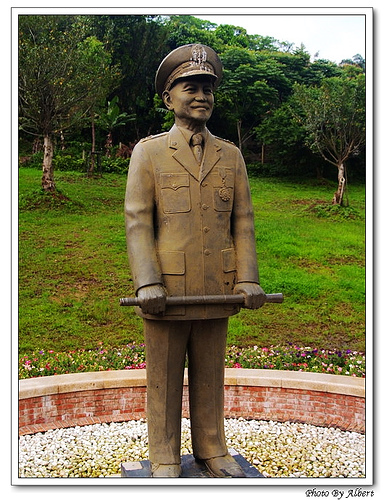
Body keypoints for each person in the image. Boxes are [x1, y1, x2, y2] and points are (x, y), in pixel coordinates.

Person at [124, 44, 266, 478]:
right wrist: (146, 281)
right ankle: (164, 456)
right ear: (169, 98)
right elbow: (137, 221)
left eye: (208, 87)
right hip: (166, 289)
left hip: (216, 287)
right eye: (191, 87)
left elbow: (242, 220)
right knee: (164, 378)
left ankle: (211, 448)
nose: (202, 95)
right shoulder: (148, 153)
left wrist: (247, 278)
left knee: (210, 374)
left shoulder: (232, 155)